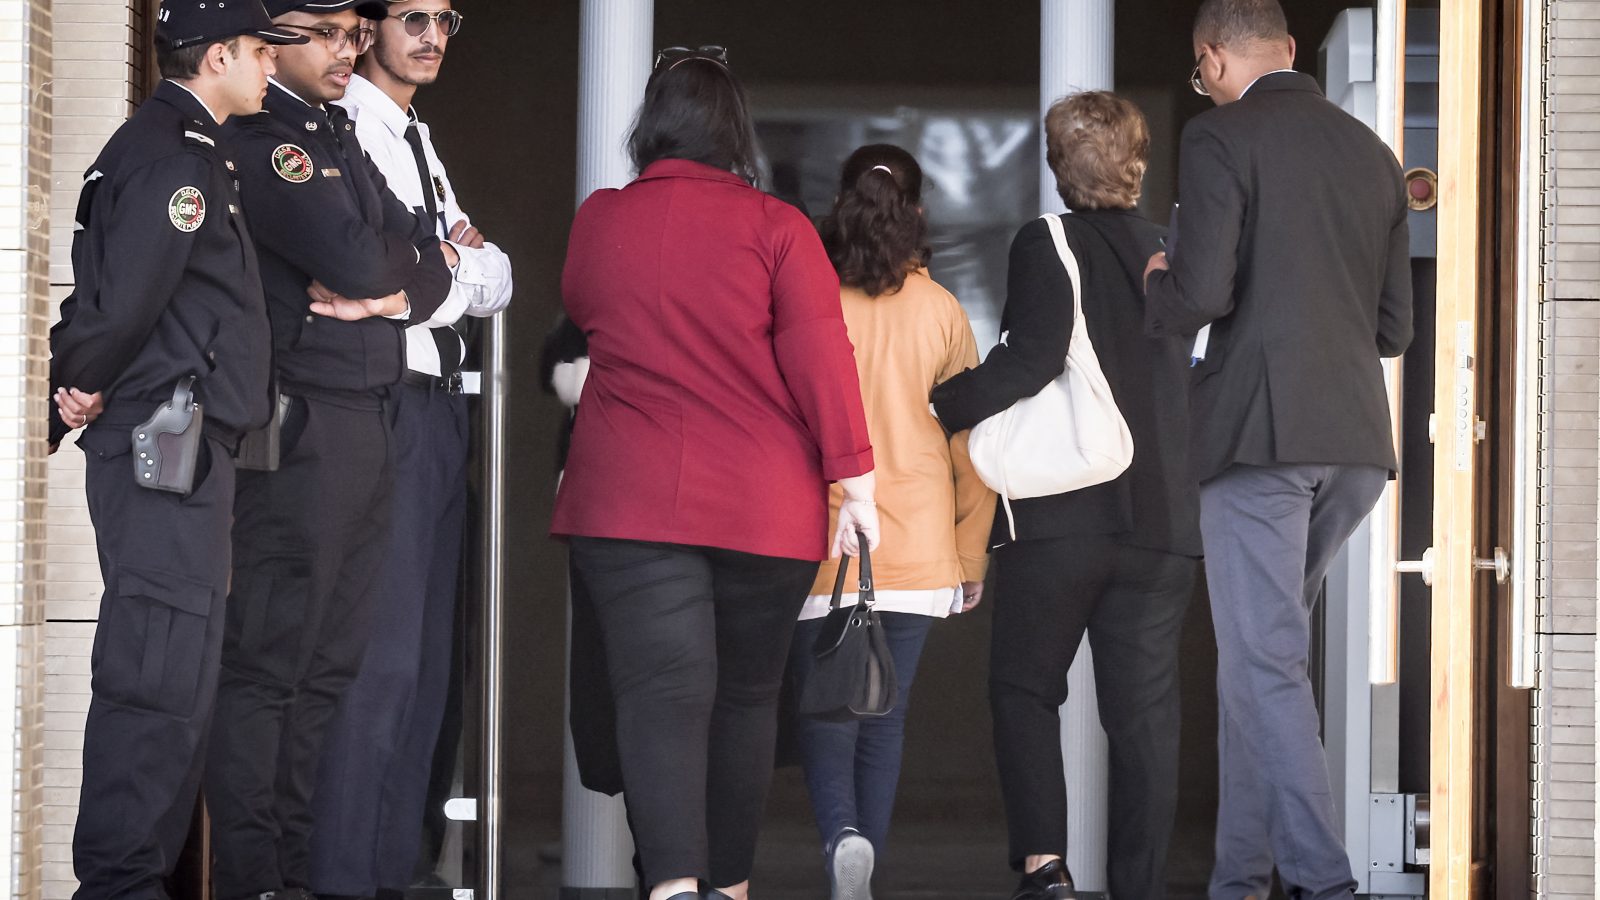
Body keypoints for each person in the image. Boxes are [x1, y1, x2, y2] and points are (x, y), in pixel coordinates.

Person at [552, 45, 879, 900]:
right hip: (763, 507)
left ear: (651, 127)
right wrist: (857, 485)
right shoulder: (779, 228)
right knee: (744, 701)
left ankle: (672, 887)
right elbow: (823, 360)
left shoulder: (602, 219)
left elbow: (584, 307)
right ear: (734, 132)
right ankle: (727, 889)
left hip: (628, 501)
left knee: (658, 697)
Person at [1143, 1, 1412, 897]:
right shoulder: (1374, 156)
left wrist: (1160, 280)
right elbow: (1394, 328)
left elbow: (1202, 292)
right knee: (1258, 664)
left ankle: (1324, 883)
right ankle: (1240, 880)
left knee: (1264, 663)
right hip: (1355, 447)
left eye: (1200, 73)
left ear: (1212, 59)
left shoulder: (1221, 137)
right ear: (1291, 49)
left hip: (1261, 440)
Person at [45, 4, 305, 898]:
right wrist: (77, 381)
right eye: (261, 51)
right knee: (155, 679)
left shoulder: (189, 149)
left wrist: (84, 378)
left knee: (176, 681)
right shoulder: (172, 158)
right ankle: (118, 885)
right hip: (165, 455)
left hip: (185, 456)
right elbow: (123, 301)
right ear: (218, 55)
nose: (271, 67)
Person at [202, 2, 454, 898]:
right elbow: (364, 260)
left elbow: (426, 256)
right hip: (303, 423)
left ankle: (296, 872)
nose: (349, 50)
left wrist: (407, 275)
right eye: (326, 33)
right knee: (271, 663)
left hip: (369, 418)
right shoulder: (269, 139)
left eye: (353, 33)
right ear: (271, 42)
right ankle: (254, 876)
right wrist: (404, 272)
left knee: (329, 669)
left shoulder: (334, 132)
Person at [930, 92, 1202, 900]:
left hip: (1063, 521)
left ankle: (1045, 870)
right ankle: (1139, 886)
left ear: (1057, 168)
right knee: (1144, 722)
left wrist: (942, 404)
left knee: (1025, 691)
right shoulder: (1179, 252)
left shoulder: (1047, 240)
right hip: (1164, 525)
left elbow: (1032, 359)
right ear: (1138, 163)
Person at [309, 2, 513, 897]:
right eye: (414, 18)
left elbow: (496, 276)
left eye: (446, 20)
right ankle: (344, 876)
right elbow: (381, 270)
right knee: (379, 660)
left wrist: (442, 267)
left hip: (436, 414)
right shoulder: (348, 126)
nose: (433, 36)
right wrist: (443, 266)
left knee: (428, 666)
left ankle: (392, 870)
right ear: (367, 31)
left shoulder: (416, 136)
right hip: (384, 405)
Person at [785, 144, 994, 900]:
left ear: (840, 207)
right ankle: (863, 863)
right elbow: (971, 444)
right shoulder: (942, 311)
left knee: (827, 710)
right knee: (885, 713)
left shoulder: (809, 303)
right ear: (919, 214)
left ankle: (841, 836)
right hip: (921, 542)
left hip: (824, 537)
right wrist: (970, 554)